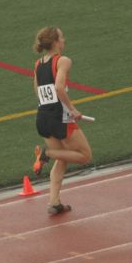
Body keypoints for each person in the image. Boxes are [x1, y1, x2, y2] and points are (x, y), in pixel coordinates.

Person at [31, 26, 92, 215]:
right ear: (56, 42)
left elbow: (37, 90)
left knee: (63, 157)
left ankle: (54, 202)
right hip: (60, 118)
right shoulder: (63, 61)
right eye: (62, 38)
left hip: (43, 117)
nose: (64, 41)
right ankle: (47, 154)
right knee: (84, 156)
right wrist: (72, 109)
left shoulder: (38, 64)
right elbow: (58, 87)